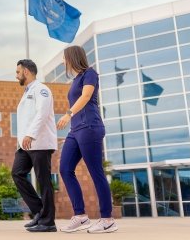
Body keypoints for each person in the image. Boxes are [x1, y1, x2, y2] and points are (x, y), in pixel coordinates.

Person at [57, 45, 118, 234]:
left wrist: (68, 114)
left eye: (64, 57)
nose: (62, 61)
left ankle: (107, 219)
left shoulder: (89, 74)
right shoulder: (75, 79)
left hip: (90, 127)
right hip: (75, 131)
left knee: (96, 172)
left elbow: (86, 96)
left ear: (72, 58)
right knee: (65, 169)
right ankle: (81, 216)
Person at [12, 59, 58, 233]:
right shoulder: (28, 91)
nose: (16, 76)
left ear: (25, 72)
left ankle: (48, 222)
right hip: (25, 144)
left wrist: (31, 134)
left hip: (39, 142)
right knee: (17, 173)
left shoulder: (42, 89)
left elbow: (42, 113)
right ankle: (39, 211)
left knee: (43, 180)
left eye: (18, 72)